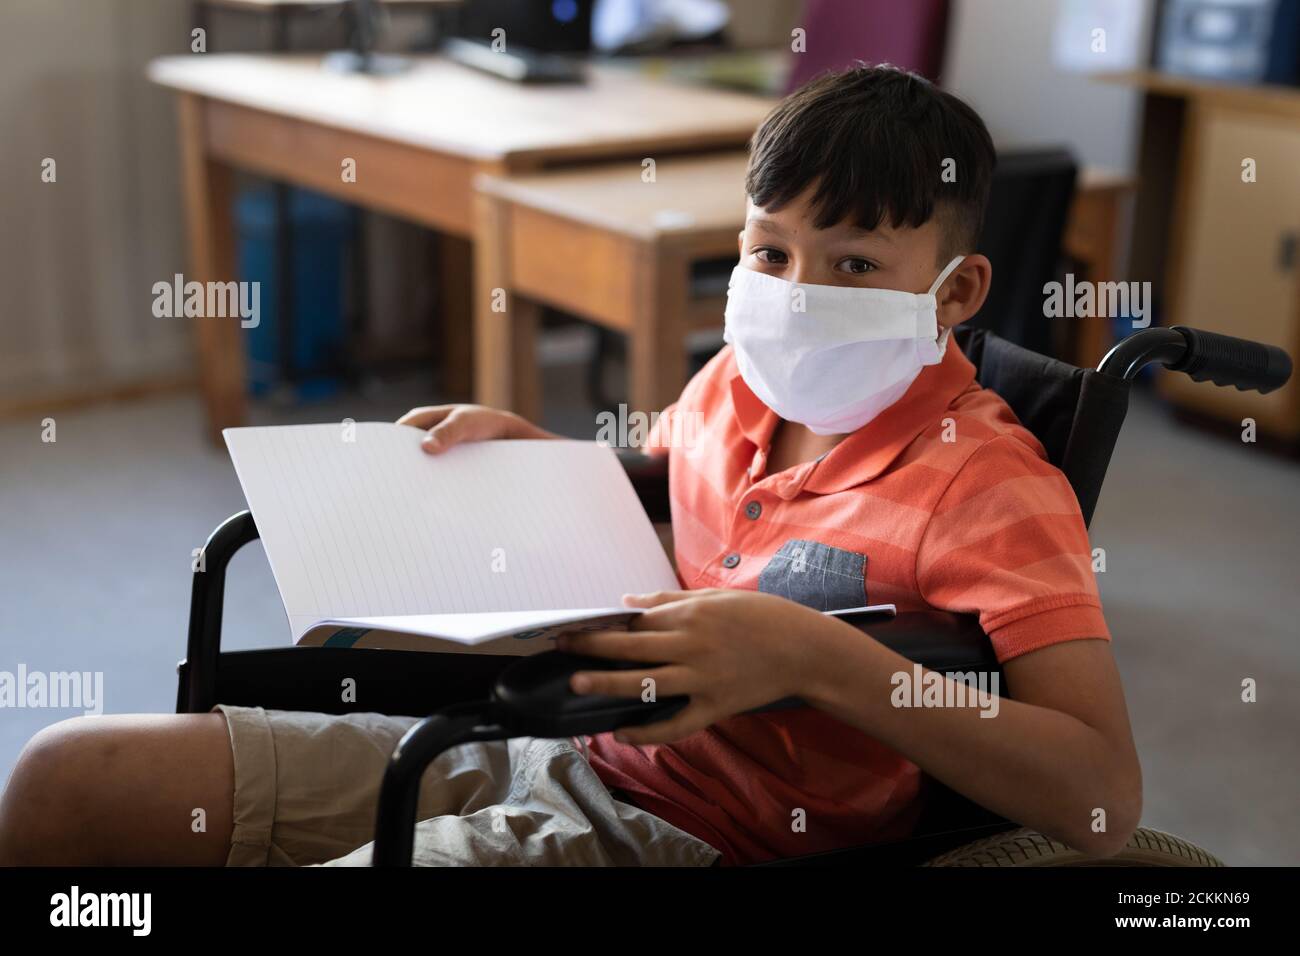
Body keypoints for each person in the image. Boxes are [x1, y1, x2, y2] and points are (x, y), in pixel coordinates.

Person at [0, 65, 1140, 867]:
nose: (796, 293)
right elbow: (663, 486)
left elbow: (1099, 796)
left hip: (695, 831)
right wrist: (535, 461)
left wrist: (819, 657)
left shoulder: (988, 490)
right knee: (67, 777)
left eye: (851, 262)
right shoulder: (739, 384)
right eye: (768, 250)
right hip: (543, 740)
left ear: (955, 292)